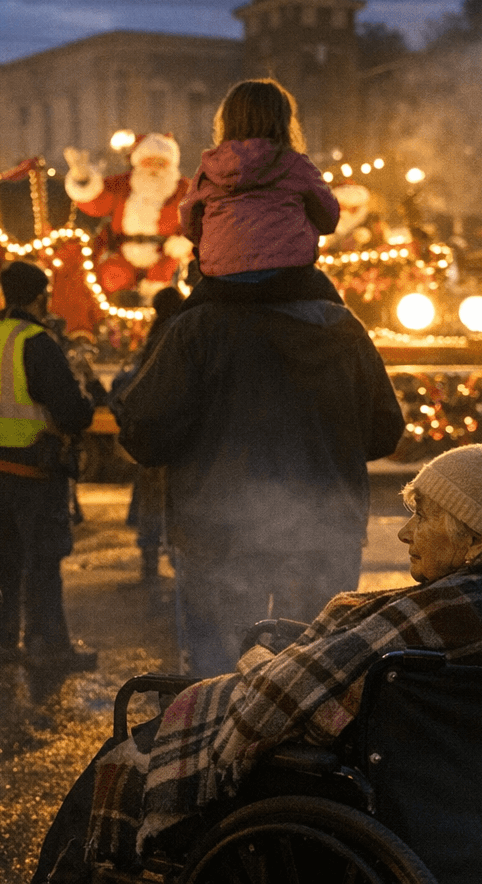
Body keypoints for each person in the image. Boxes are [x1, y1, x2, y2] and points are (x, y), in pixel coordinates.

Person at [34, 445, 482, 882]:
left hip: (404, 801)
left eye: (423, 516)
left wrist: (257, 668)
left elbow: (274, 702)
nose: (405, 534)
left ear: (478, 540)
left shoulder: (428, 618)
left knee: (130, 752)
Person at [116, 246, 403, 677]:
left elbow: (144, 433)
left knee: (219, 681)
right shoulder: (343, 328)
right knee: (312, 676)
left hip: (217, 534)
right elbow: (384, 429)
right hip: (324, 533)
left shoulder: (198, 327)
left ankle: (226, 745)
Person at [0, 260, 98, 669]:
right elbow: (70, 413)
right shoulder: (37, 341)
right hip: (36, 467)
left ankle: (2, 640)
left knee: (4, 557)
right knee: (43, 559)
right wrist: (87, 397)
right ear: (41, 297)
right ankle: (47, 644)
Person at [176, 78, 339, 282]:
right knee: (333, 310)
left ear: (227, 119)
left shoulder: (209, 168)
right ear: (283, 121)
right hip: (288, 276)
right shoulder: (296, 165)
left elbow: (188, 223)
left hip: (223, 279)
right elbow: (329, 219)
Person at [108, 286, 185, 582]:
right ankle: (174, 568)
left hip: (154, 435)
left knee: (151, 504)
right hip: (175, 436)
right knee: (172, 506)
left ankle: (149, 567)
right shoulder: (179, 331)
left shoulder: (159, 336)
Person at [63, 133, 193, 298]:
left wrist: (185, 241)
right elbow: (98, 202)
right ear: (138, 162)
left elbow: (199, 219)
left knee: (163, 287)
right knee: (113, 277)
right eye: (148, 162)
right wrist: (83, 180)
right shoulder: (124, 184)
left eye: (160, 163)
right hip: (124, 251)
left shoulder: (184, 189)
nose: (153, 168)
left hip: (166, 254)